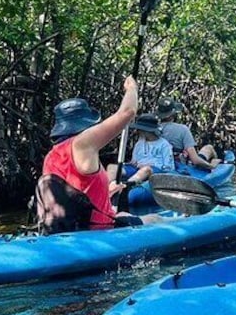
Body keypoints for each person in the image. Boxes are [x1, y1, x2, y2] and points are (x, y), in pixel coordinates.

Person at [36, 76, 161, 233]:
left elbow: (72, 197)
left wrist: (107, 192)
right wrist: (132, 89)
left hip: (71, 227)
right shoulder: (82, 143)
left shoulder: (51, 156)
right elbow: (127, 112)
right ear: (85, 125)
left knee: (122, 214)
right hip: (97, 230)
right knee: (156, 219)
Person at [155, 97, 221, 171]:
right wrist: (211, 165)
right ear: (173, 114)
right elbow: (195, 160)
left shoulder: (152, 129)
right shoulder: (183, 129)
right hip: (179, 166)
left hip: (158, 163)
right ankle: (214, 170)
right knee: (209, 148)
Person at [121, 112, 175, 185]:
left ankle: (126, 186)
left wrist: (149, 164)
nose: (138, 131)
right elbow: (134, 161)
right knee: (113, 168)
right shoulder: (139, 144)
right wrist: (132, 163)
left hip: (154, 171)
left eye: (140, 129)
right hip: (137, 169)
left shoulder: (164, 145)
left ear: (147, 131)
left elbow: (169, 167)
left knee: (145, 170)